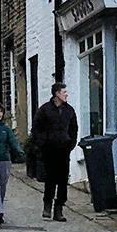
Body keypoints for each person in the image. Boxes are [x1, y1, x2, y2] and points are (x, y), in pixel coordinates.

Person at [30, 81, 79, 219]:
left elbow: (74, 128)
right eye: (64, 92)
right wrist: (41, 144)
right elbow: (36, 128)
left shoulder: (69, 110)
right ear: (57, 93)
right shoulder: (45, 110)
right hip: (49, 150)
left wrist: (70, 143)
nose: (66, 94)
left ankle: (59, 209)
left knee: (63, 180)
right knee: (50, 179)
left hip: (64, 150)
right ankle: (47, 205)